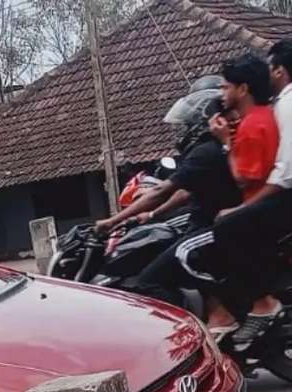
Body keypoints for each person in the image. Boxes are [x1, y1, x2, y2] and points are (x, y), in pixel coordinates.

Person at [95, 76, 241, 306]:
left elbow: (161, 191)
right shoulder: (216, 147)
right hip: (205, 223)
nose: (181, 131)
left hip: (211, 226)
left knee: (150, 280)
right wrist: (151, 215)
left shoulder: (205, 152)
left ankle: (195, 327)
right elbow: (186, 191)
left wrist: (112, 221)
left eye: (185, 125)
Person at [206, 52, 284, 344]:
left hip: (259, 206)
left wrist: (226, 143)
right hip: (263, 204)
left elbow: (242, 177)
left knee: (216, 235)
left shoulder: (253, 125)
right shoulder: (262, 118)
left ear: (243, 89)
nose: (222, 92)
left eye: (226, 87)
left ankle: (258, 303)